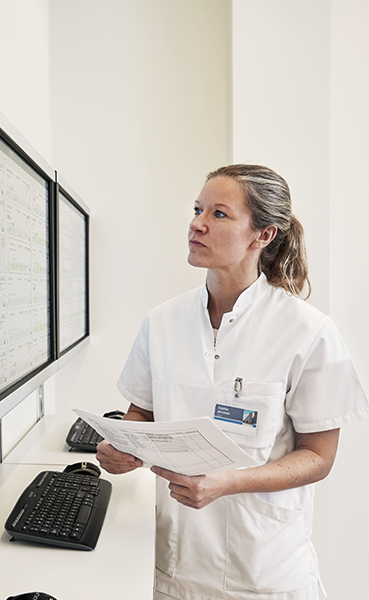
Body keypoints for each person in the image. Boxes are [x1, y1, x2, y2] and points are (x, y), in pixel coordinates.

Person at [97, 164, 369, 600]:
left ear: (263, 235)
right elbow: (142, 412)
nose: (197, 224)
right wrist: (122, 447)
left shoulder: (308, 331)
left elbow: (318, 457)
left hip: (265, 573)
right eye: (197, 209)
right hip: (176, 568)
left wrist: (229, 481)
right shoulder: (163, 321)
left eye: (219, 214)